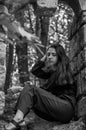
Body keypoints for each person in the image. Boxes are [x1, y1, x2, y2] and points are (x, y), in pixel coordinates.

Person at [5, 43, 77, 130]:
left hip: (66, 108)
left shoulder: (62, 71)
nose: (50, 57)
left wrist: (20, 89)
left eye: (53, 55)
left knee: (30, 89)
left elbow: (42, 90)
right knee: (30, 92)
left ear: (60, 57)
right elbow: (35, 71)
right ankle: (19, 119)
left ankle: (17, 119)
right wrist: (44, 57)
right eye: (48, 54)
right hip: (57, 109)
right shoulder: (52, 71)